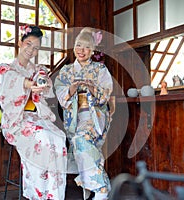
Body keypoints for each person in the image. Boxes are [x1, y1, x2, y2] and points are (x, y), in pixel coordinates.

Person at [0, 25, 67, 200]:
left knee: (58, 138)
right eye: (28, 44)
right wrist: (28, 84)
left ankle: (54, 194)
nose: (31, 50)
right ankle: (37, 194)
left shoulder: (37, 69)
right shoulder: (5, 68)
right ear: (20, 43)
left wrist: (42, 78)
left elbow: (46, 87)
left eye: (36, 48)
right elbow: (11, 81)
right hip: (16, 120)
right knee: (42, 139)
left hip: (36, 118)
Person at [54, 27, 113, 200]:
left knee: (82, 139)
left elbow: (105, 94)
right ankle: (100, 186)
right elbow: (60, 92)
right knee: (81, 142)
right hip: (74, 117)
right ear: (73, 47)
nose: (81, 50)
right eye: (79, 45)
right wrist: (71, 89)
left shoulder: (100, 70)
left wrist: (92, 87)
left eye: (86, 47)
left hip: (95, 116)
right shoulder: (65, 71)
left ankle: (101, 189)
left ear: (93, 50)